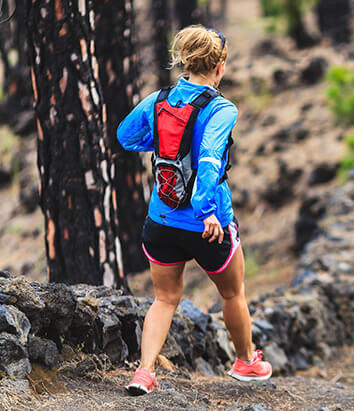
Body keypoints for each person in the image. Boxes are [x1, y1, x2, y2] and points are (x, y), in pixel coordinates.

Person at [117, 25, 272, 396]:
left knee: (164, 298)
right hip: (208, 224)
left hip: (162, 218)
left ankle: (144, 372)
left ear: (184, 62)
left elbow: (126, 135)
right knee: (233, 293)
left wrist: (164, 138)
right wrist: (208, 213)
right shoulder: (221, 109)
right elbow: (208, 161)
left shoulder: (159, 98)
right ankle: (246, 361)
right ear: (220, 66)